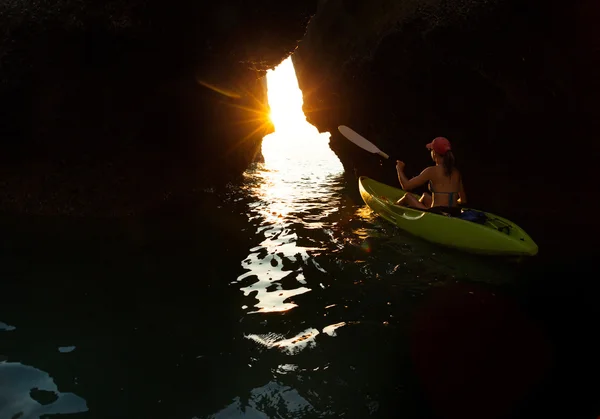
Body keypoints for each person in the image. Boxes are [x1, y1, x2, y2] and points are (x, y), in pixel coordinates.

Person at [394, 137, 466, 214]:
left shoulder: (431, 171)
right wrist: (450, 200)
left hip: (439, 214)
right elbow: (463, 200)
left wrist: (399, 169)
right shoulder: (456, 172)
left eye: (431, 150)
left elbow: (406, 186)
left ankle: (393, 208)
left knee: (407, 196)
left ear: (434, 153)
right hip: (454, 213)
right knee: (425, 196)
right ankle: (415, 214)